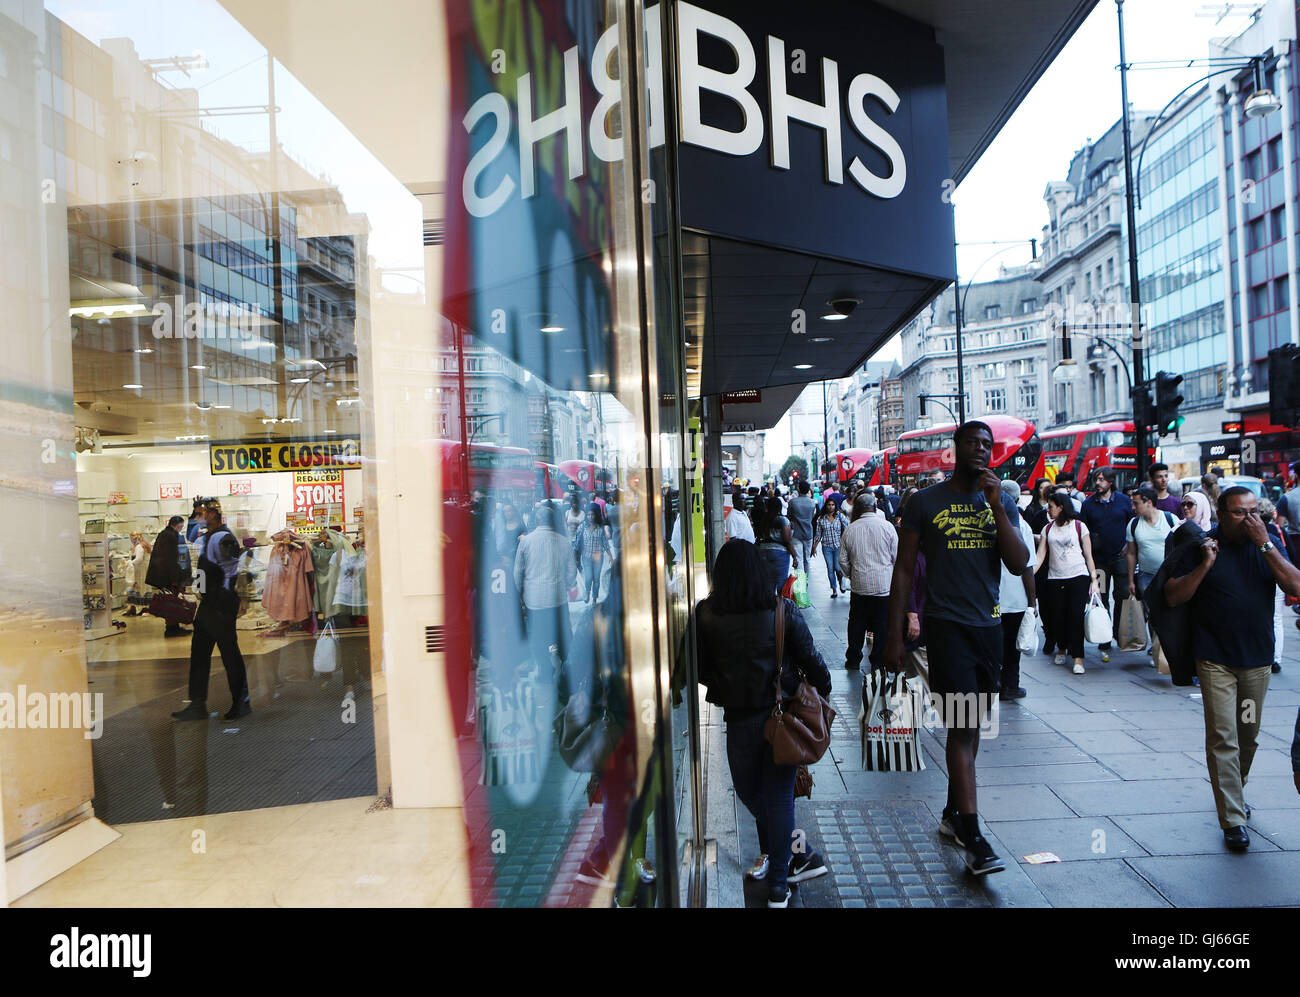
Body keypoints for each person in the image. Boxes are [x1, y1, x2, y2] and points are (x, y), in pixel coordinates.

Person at [884, 421, 1028, 876]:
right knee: (963, 730)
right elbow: (904, 571)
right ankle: (975, 837)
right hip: (947, 630)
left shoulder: (998, 501)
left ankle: (951, 815)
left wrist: (997, 509)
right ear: (956, 448)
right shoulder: (927, 502)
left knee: (971, 729)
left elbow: (1019, 562)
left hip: (988, 630)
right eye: (973, 443)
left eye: (988, 445)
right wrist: (893, 637)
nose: (982, 450)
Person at [695, 540, 832, 907]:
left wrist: (727, 682)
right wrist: (824, 690)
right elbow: (812, 659)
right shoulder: (781, 610)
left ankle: (781, 874)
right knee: (777, 797)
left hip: (739, 721)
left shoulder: (705, 613)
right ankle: (787, 873)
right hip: (782, 717)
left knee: (751, 793)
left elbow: (697, 669)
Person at [1164, 487, 1300, 851]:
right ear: (1221, 515)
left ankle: (1232, 794)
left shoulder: (1267, 542)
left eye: (1254, 512)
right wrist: (1205, 566)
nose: (1250, 519)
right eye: (1240, 513)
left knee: (1247, 735)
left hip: (1256, 662)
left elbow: (1295, 585)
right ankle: (1232, 818)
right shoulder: (1203, 546)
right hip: (1214, 660)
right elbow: (1174, 596)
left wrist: (1265, 545)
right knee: (1223, 737)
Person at [172, 499, 250, 721]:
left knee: (229, 653)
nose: (198, 518)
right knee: (199, 653)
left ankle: (241, 701)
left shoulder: (221, 538)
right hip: (210, 604)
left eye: (201, 513)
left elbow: (231, 570)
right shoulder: (207, 537)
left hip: (221, 603)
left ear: (215, 515)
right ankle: (197, 703)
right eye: (196, 514)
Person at [1036, 491, 1099, 675]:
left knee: (1076, 616)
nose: (1048, 510)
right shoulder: (1048, 529)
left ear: (1061, 507)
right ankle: (1062, 647)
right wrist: (1029, 572)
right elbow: (1041, 555)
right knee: (1058, 616)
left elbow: (1088, 555)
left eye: (1051, 506)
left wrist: (1094, 579)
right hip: (1055, 577)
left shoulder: (1079, 527)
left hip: (1079, 575)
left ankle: (1078, 656)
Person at [514, 503, 578, 677]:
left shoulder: (526, 541)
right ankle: (566, 668)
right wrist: (566, 585)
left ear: (536, 520)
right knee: (563, 634)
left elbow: (518, 571)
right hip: (558, 599)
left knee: (539, 637)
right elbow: (572, 571)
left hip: (534, 601)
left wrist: (519, 593)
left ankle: (545, 669)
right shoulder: (564, 542)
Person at [1080, 467, 1134, 663]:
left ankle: (1118, 633)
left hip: (1119, 557)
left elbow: (1131, 524)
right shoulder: (1088, 504)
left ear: (1111, 482)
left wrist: (1129, 547)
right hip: (1098, 559)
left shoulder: (1123, 501)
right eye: (1096, 479)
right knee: (1100, 598)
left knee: (1122, 595)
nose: (1098, 482)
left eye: (1102, 479)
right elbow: (1083, 530)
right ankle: (1104, 638)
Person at [839, 493, 898, 669]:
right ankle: (878, 660)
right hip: (884, 586)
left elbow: (842, 560)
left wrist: (852, 574)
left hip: (860, 586)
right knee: (881, 624)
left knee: (857, 623)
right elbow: (896, 556)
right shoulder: (887, 527)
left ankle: (854, 658)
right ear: (874, 506)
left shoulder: (851, 529)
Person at [1125, 487, 1178, 654]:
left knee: (1170, 611)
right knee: (1152, 613)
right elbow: (1131, 553)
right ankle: (1156, 647)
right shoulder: (1133, 524)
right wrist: (1131, 580)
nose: (1133, 507)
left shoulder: (1170, 519)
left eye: (1136, 503)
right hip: (1146, 576)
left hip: (1170, 576)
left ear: (1149, 502)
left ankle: (1169, 644)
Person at [998, 479, 1037, 701]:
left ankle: (996, 682)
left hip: (993, 596)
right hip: (1016, 598)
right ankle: (1010, 685)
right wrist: (1032, 602)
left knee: (997, 645)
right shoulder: (1022, 526)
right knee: (1013, 646)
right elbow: (1027, 567)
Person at [146, 515, 193, 637]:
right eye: (181, 526)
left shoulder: (164, 534)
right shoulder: (172, 536)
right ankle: (172, 627)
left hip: (163, 575)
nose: (181, 529)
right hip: (170, 576)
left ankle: (173, 626)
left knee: (170, 601)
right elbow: (172, 558)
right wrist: (175, 578)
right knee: (173, 601)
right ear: (176, 525)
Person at [1259, 498, 1286, 675]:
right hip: (1277, 578)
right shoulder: (1277, 530)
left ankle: (1270, 656)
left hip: (1265, 578)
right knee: (1276, 619)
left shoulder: (1257, 533)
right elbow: (1288, 554)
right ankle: (1276, 658)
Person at [753, 495, 798, 595]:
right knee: (781, 584)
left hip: (763, 551)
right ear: (779, 506)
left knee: (768, 583)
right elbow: (787, 540)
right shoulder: (783, 520)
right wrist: (794, 556)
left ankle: (769, 607)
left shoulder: (763, 520)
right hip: (779, 553)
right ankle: (780, 608)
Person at [810, 495, 850, 598]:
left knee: (837, 567)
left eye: (832, 505)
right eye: (829, 505)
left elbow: (847, 526)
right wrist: (814, 547)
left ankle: (841, 583)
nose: (831, 507)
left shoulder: (839, 516)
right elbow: (818, 535)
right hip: (826, 547)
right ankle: (834, 590)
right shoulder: (821, 519)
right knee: (830, 568)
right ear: (826, 506)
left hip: (838, 546)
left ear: (835, 506)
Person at [574, 504, 612, 605]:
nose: (590, 517)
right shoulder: (582, 527)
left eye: (592, 515)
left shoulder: (600, 528)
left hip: (598, 557)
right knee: (588, 577)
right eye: (588, 515)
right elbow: (577, 542)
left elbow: (605, 543)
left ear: (596, 515)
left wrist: (611, 556)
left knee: (596, 579)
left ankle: (594, 598)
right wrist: (575, 556)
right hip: (586, 557)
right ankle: (587, 592)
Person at [787, 481, 817, 577]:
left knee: (799, 558)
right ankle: (807, 579)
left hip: (796, 533)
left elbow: (789, 516)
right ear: (808, 490)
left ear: (799, 489)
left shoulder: (792, 502)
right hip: (808, 532)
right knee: (807, 559)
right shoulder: (812, 503)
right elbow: (812, 517)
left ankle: (801, 582)